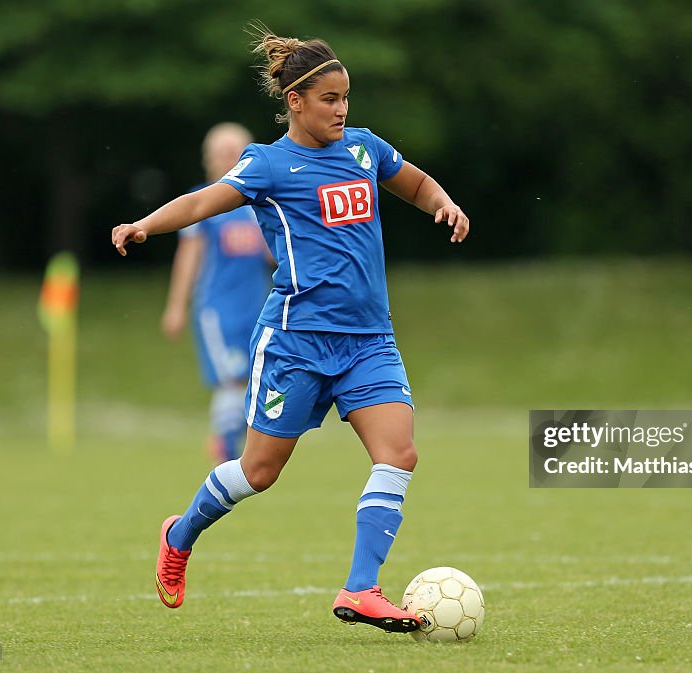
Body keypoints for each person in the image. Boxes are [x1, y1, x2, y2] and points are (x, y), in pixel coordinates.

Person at [112, 27, 469, 633]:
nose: (342, 109)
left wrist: (443, 202)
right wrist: (146, 224)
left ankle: (361, 589)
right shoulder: (269, 163)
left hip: (368, 341)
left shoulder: (363, 149)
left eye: (346, 97)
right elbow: (202, 203)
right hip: (296, 342)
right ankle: (181, 531)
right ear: (296, 102)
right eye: (329, 98)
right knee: (259, 472)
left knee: (399, 452)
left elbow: (412, 181)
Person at [160, 122, 275, 465]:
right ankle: (225, 450)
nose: (227, 159)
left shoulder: (260, 204)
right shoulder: (203, 202)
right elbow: (189, 258)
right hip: (218, 311)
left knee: (259, 378)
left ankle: (240, 449)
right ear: (207, 158)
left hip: (259, 306)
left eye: (234, 153)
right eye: (221, 153)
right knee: (233, 377)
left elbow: (276, 254)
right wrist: (176, 307)